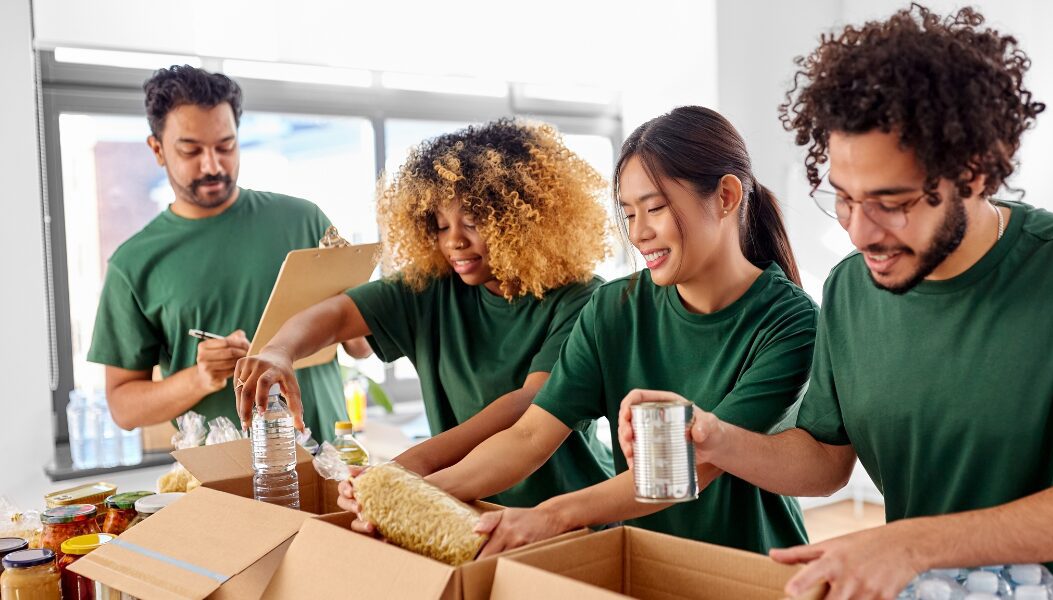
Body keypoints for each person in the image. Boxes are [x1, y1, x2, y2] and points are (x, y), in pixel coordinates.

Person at [618, 7, 1053, 600]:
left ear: (972, 171)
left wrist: (908, 543)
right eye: (843, 199)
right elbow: (824, 459)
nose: (859, 232)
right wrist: (715, 437)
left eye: (890, 202)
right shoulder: (851, 289)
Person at [335, 106, 818, 556]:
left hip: (748, 559)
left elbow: (692, 464)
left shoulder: (788, 321)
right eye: (628, 213)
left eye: (654, 208)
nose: (639, 233)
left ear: (727, 197)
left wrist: (552, 515)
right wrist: (408, 493)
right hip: (637, 557)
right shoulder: (615, 307)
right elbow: (528, 438)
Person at [234, 119, 614, 507]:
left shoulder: (581, 299)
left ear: (522, 220)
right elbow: (335, 315)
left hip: (566, 511)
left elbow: (529, 404)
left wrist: (409, 468)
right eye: (440, 224)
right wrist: (280, 351)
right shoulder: (431, 288)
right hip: (466, 509)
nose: (455, 241)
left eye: (473, 221)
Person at [88, 65, 369, 444]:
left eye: (226, 146)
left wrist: (349, 310)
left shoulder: (304, 220)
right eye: (190, 150)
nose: (213, 165)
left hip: (327, 467)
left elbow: (363, 346)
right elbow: (124, 407)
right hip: (220, 484)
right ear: (157, 150)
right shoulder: (134, 264)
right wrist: (199, 378)